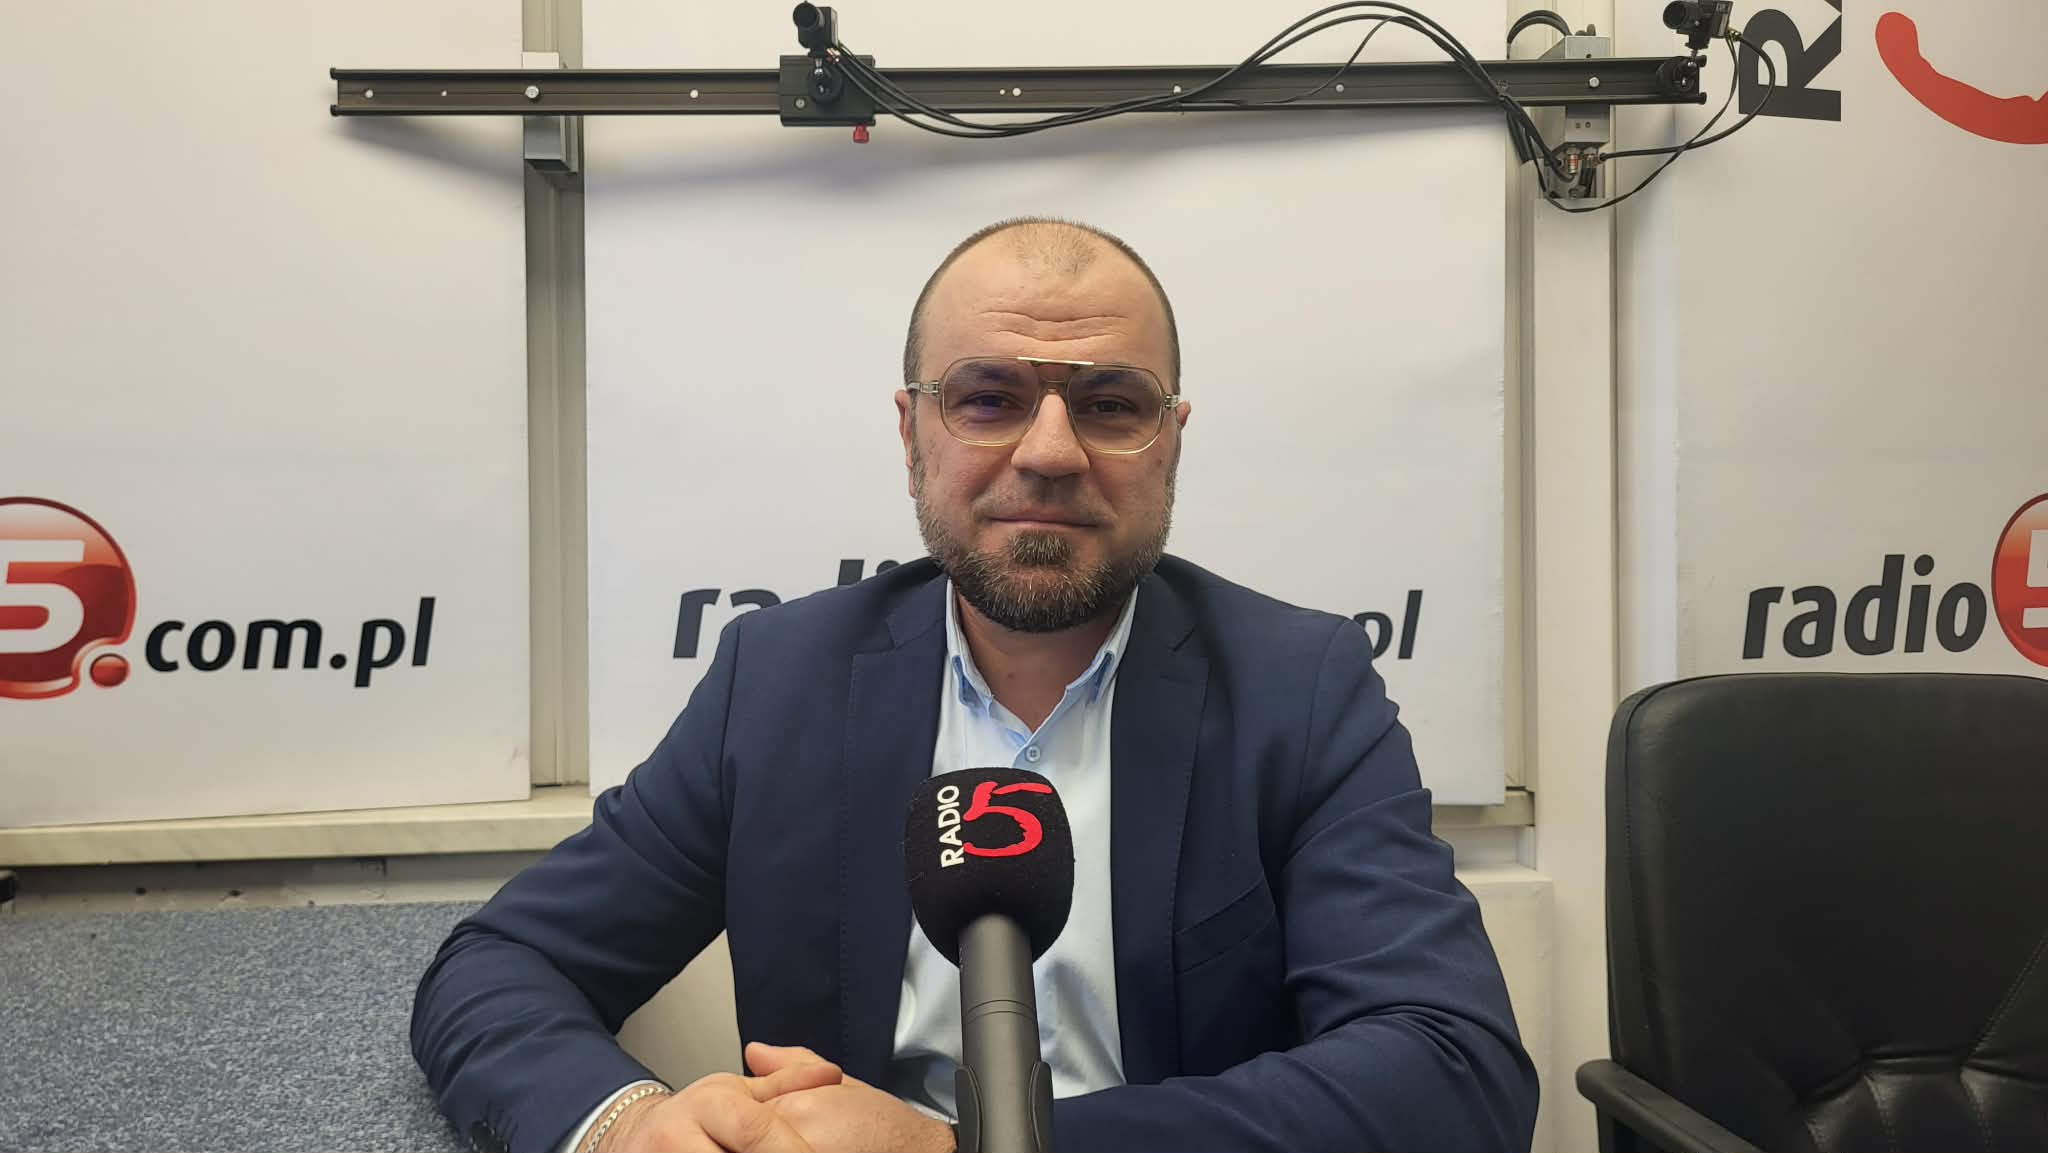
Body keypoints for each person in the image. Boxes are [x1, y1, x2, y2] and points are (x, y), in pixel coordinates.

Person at [412, 218, 1538, 1153]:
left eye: (1109, 403)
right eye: (988, 398)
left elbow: (1450, 1069)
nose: (1049, 451)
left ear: (1170, 440)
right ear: (911, 434)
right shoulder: (778, 681)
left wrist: (960, 1149)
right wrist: (622, 1126)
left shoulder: (1302, 690)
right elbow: (501, 965)